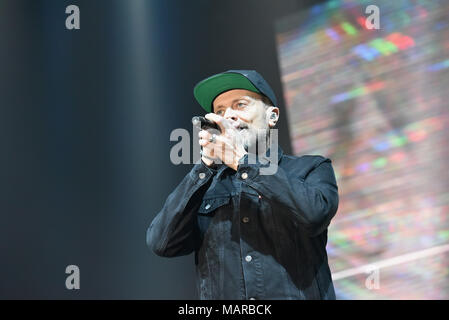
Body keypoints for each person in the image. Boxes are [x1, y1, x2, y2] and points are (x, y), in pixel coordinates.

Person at [146, 70, 339, 300]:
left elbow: (313, 215)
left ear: (272, 116)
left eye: (240, 105)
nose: (229, 116)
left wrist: (242, 161)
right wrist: (205, 165)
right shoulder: (205, 186)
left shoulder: (311, 168)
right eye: (220, 111)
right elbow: (162, 243)